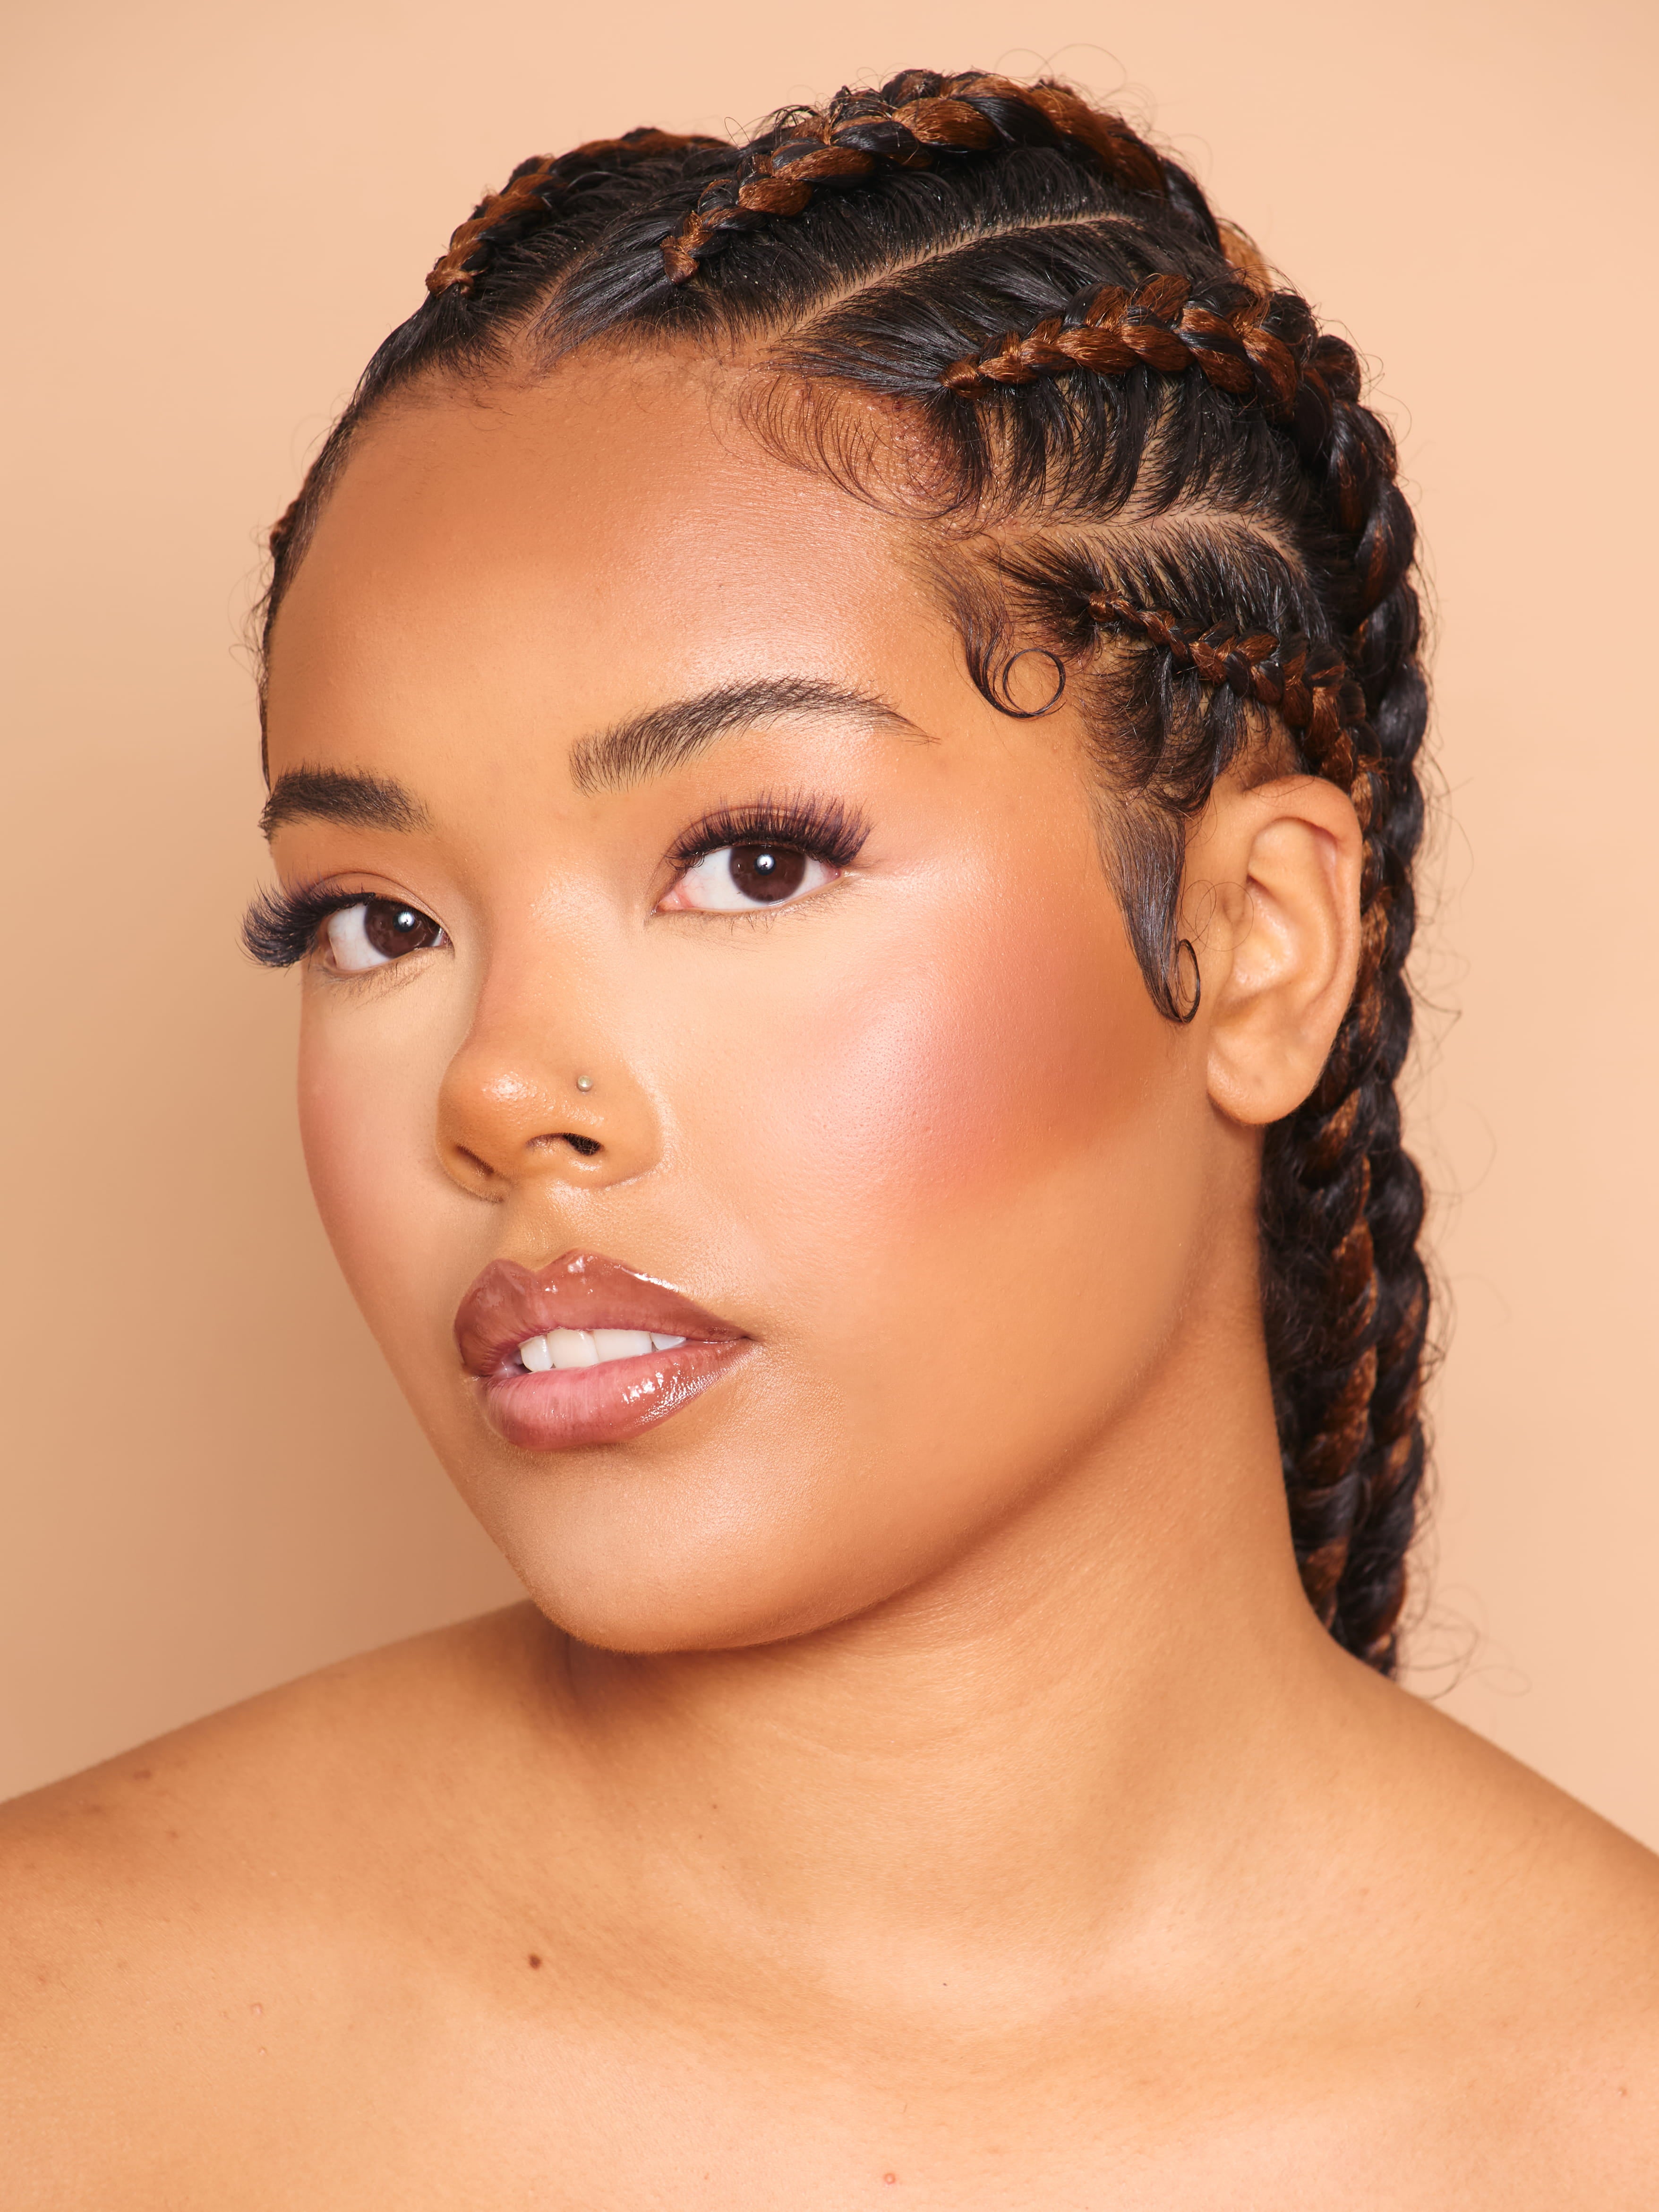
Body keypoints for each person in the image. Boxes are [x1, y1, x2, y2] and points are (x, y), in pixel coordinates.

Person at [4, 68, 1656, 2204]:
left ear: (1255, 947)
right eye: (376, 921)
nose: (496, 1089)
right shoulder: (57, 2039)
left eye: (754, 860)